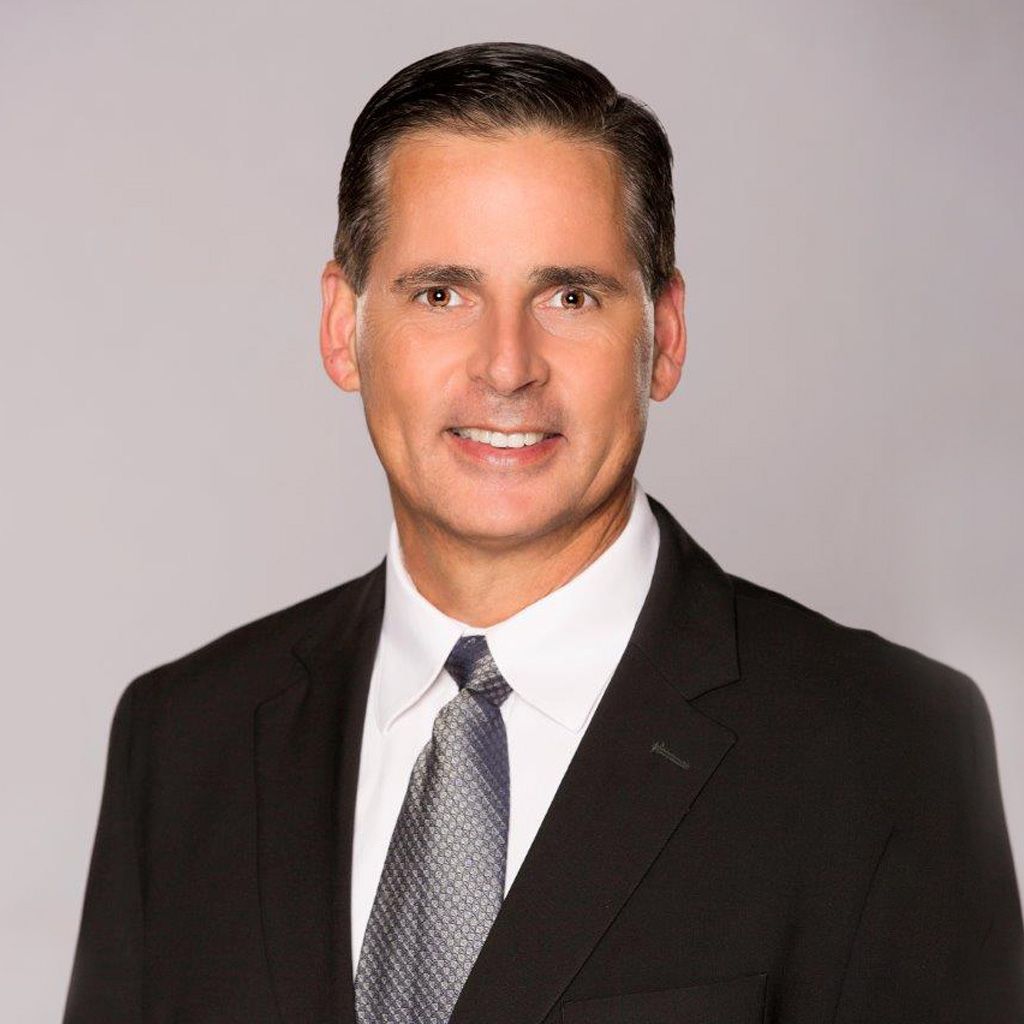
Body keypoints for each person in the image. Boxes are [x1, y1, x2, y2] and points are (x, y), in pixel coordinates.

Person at [63, 41, 1022, 1024]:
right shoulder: (183, 741)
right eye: (441, 294)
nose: (507, 365)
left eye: (570, 296)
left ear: (664, 336)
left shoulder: (886, 748)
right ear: (343, 327)